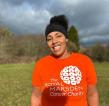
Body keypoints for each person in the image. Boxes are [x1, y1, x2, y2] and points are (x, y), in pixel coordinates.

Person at [31, 15, 99, 106]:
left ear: (66, 38)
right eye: (49, 39)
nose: (54, 41)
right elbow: (36, 96)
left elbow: (92, 94)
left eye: (58, 36)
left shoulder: (84, 61)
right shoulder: (40, 64)